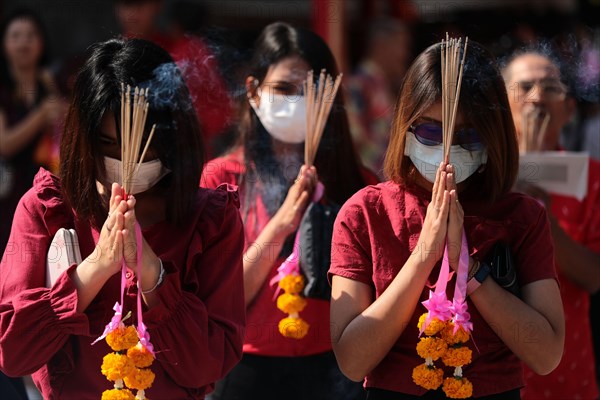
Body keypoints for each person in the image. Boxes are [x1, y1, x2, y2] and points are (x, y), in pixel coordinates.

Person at [0, 38, 245, 400]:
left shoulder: (210, 220)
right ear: (83, 139)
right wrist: (98, 265)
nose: (126, 161)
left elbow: (211, 363)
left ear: (174, 139)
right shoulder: (46, 209)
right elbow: (12, 352)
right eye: (107, 145)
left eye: (145, 145)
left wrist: (152, 275)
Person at [329, 40, 565, 399]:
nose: (445, 149)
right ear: (404, 128)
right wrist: (425, 254)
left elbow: (546, 354)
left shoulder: (522, 216)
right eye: (428, 130)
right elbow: (352, 360)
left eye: (466, 136)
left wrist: (468, 270)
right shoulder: (365, 213)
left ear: (492, 138)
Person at [201, 22, 378, 400]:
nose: (297, 102)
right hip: (245, 369)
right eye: (283, 89)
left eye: (311, 91)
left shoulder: (359, 185)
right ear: (253, 91)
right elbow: (219, 300)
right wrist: (282, 224)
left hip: (334, 370)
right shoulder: (220, 180)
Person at [502, 49, 600, 400]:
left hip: (566, 374)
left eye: (550, 88)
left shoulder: (590, 177)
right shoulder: (483, 175)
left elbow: (593, 276)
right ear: (500, 104)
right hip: (490, 371)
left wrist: (542, 218)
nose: (537, 96)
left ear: (569, 109)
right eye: (524, 86)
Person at [114, 0, 233, 157]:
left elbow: (220, 112)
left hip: (181, 162)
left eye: (141, 4)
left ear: (158, 5)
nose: (133, 12)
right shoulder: (110, 56)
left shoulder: (185, 52)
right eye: (126, 4)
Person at [0, 8, 66, 255]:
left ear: (42, 42)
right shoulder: (3, 91)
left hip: (47, 191)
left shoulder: (51, 84)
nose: (23, 42)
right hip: (9, 194)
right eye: (15, 36)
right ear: (4, 44)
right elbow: (4, 143)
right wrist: (40, 116)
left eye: (31, 35)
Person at [346, 17, 412, 178]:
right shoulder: (357, 85)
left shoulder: (383, 85)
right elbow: (354, 139)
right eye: (402, 46)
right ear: (382, 46)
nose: (405, 54)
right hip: (369, 182)